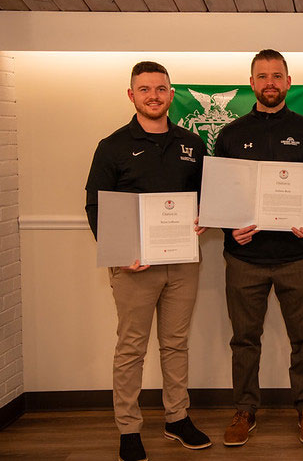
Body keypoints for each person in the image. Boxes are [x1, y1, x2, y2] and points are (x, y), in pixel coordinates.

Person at [85, 61, 211, 461]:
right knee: (131, 348)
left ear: (171, 94)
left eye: (160, 89)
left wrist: (204, 216)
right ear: (131, 95)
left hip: (183, 263)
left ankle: (177, 418)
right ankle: (128, 428)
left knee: (175, 344)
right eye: (144, 89)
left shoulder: (193, 143)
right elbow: (95, 206)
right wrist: (120, 253)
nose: (153, 96)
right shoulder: (112, 146)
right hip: (134, 264)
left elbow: (207, 196)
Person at [215, 50, 303, 446]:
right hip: (245, 258)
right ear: (251, 83)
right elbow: (221, 194)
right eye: (262, 76)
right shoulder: (230, 134)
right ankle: (244, 409)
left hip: (298, 256)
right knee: (244, 339)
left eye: (277, 76)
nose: (270, 83)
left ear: (288, 82)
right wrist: (230, 230)